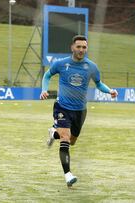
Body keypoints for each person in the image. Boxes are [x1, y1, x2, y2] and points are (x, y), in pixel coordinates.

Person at [40, 35, 118, 188]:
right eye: (79, 47)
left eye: (84, 47)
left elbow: (99, 83)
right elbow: (47, 75)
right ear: (72, 47)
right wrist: (44, 90)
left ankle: (53, 133)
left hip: (80, 110)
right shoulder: (61, 64)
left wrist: (110, 91)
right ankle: (68, 175)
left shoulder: (91, 67)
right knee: (65, 139)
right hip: (62, 107)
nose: (81, 50)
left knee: (72, 141)